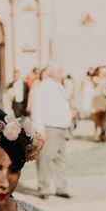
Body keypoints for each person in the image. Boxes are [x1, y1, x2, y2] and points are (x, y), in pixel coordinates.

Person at [31, 62, 73, 200]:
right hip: (49, 127)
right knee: (45, 158)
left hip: (61, 126)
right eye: (59, 71)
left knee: (60, 158)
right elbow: (37, 109)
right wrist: (40, 128)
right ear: (52, 72)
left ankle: (61, 186)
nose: (61, 73)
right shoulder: (42, 87)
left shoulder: (58, 86)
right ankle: (44, 187)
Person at [90, 66, 106, 142]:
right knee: (97, 117)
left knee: (103, 118)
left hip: (104, 98)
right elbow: (100, 85)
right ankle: (96, 134)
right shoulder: (95, 79)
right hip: (97, 98)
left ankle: (102, 133)